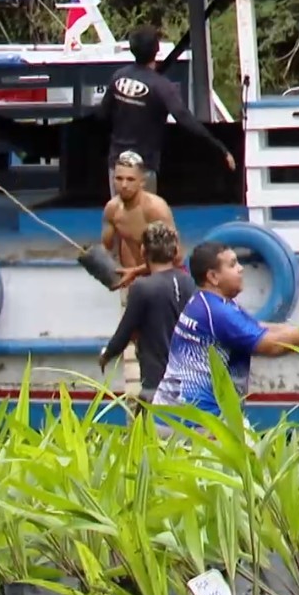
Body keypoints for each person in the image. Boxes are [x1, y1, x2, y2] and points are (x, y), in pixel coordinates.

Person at [152, 241, 299, 416]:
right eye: (232, 265)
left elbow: (258, 327)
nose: (241, 269)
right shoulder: (219, 313)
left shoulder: (207, 301)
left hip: (174, 411)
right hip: (195, 420)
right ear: (213, 277)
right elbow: (272, 346)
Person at [95, 24, 236, 194]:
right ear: (157, 49)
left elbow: (102, 116)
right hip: (143, 167)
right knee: (145, 217)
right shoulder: (162, 86)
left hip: (117, 166)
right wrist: (220, 147)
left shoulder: (118, 77)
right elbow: (184, 119)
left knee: (119, 216)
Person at [100, 221, 197, 407]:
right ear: (175, 251)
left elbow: (125, 332)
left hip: (157, 384)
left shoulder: (142, 288)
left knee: (147, 432)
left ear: (143, 251)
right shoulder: (189, 282)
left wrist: (106, 354)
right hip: (190, 383)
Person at [102, 150, 179, 289]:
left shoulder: (155, 208)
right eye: (119, 178)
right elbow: (106, 249)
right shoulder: (112, 209)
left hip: (166, 279)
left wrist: (135, 272)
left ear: (142, 181)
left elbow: (175, 255)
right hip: (134, 279)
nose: (124, 185)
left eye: (130, 179)